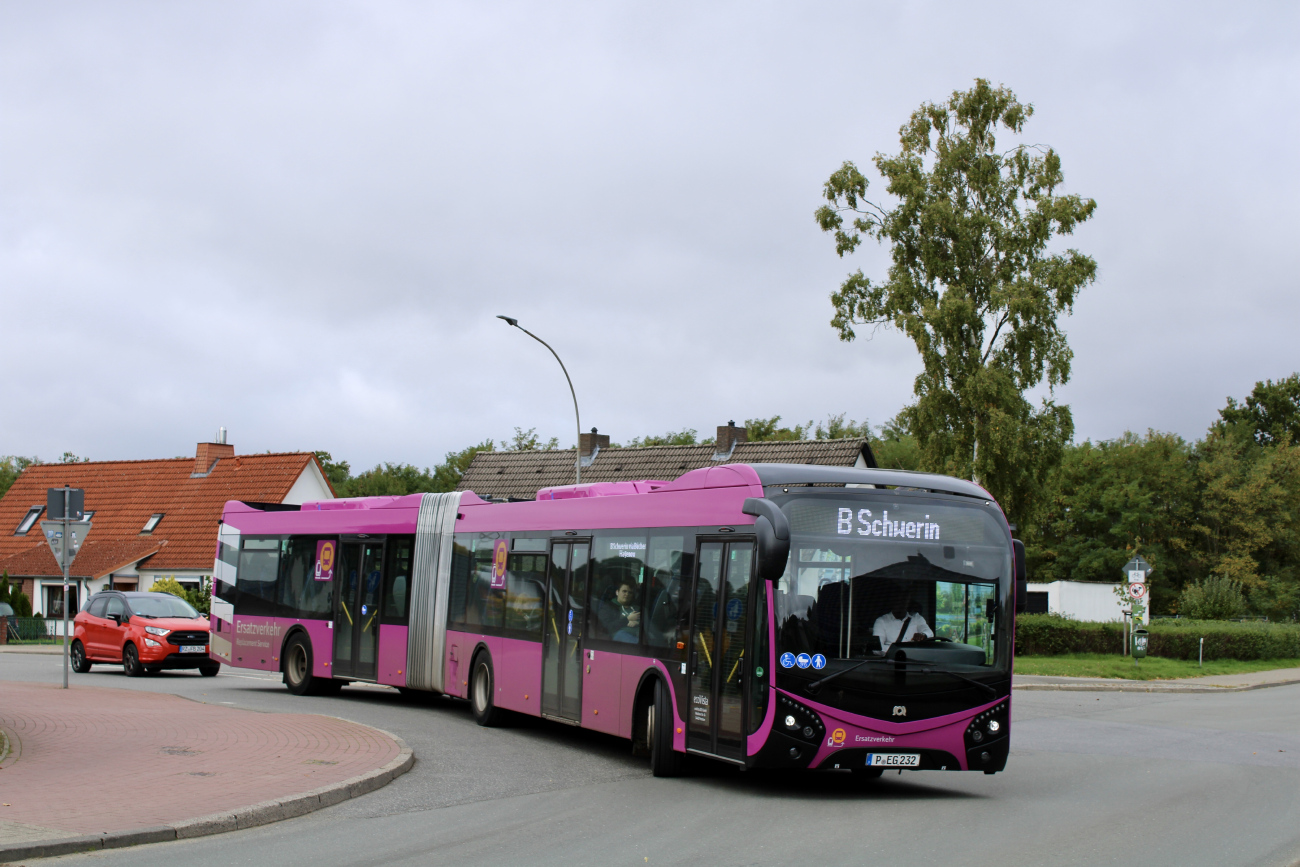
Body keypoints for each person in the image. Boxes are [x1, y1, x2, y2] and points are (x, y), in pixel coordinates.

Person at [872, 587, 930, 654]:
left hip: (914, 660)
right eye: (897, 600)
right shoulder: (881, 621)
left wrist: (923, 634)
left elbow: (929, 632)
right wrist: (901, 651)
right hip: (891, 661)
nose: (900, 603)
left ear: (908, 602)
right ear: (892, 602)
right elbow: (877, 648)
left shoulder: (916, 618)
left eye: (903, 600)